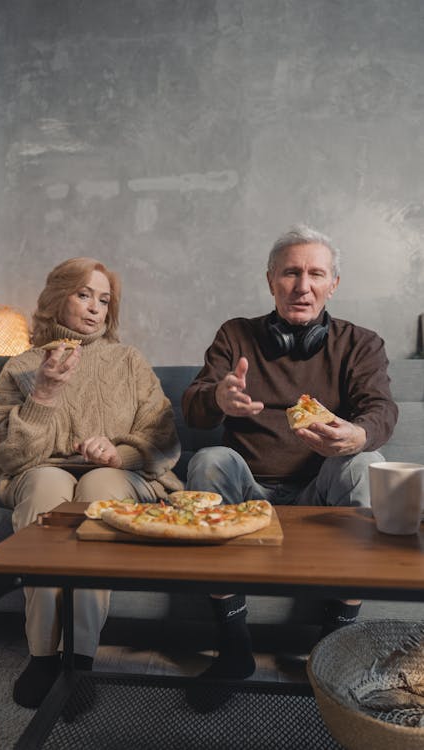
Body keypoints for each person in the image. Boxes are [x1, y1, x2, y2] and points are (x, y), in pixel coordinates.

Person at [181, 224, 398, 682]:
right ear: (270, 280)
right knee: (207, 460)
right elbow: (195, 407)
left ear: (333, 284)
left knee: (367, 464)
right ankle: (233, 644)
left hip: (319, 494)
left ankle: (331, 645)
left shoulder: (361, 343)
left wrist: (358, 435)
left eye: (316, 274)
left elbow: (380, 409)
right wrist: (218, 399)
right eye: (290, 273)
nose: (303, 286)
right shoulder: (235, 335)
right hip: (247, 491)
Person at [0, 257, 183, 708]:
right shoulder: (20, 366)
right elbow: (3, 452)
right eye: (83, 294)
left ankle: (80, 658)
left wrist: (120, 453)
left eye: (104, 299)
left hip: (117, 474)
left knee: (99, 493)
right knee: (46, 490)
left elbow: (163, 435)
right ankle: (42, 657)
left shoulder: (129, 360)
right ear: (58, 298)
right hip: (40, 470)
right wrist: (44, 395)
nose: (95, 308)